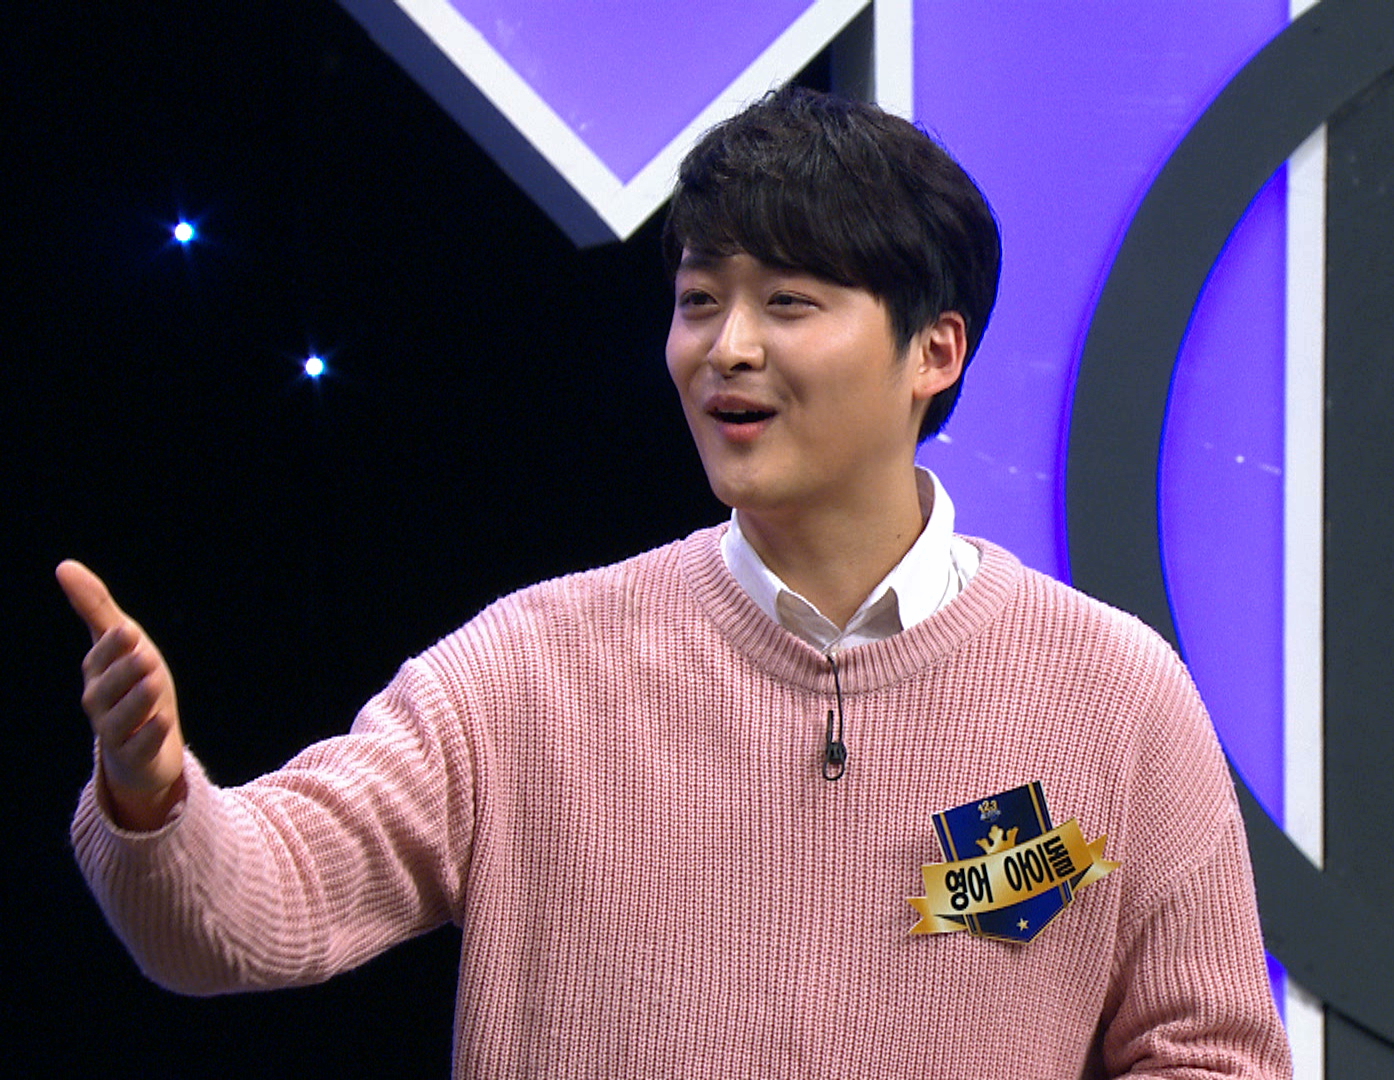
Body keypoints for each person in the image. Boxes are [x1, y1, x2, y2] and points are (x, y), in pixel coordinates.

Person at [63, 86, 1291, 1078]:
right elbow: (249, 912)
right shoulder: (529, 672)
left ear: (935, 350)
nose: (727, 347)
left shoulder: (1115, 693)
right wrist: (152, 794)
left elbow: (1213, 1056)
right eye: (700, 301)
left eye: (789, 303)